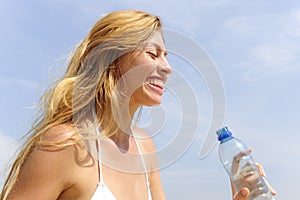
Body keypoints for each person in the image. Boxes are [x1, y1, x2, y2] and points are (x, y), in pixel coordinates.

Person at [1, 10, 275, 200]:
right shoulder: (64, 144)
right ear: (113, 59)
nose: (167, 68)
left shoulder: (145, 148)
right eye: (153, 54)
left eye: (166, 56)